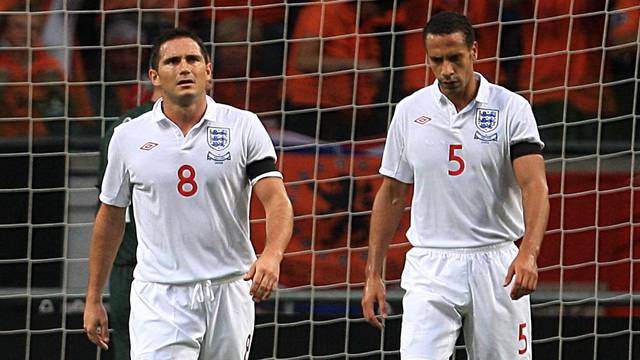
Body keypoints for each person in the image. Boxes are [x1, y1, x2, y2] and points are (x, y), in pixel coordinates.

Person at [84, 28, 293, 359]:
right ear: (155, 76)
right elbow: (110, 217)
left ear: (208, 71)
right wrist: (93, 296)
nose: (184, 68)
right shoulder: (127, 136)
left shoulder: (243, 126)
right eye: (172, 61)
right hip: (161, 295)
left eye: (193, 59)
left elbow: (276, 199)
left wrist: (272, 255)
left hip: (229, 289)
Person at [361, 12, 549, 359]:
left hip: (495, 263)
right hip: (430, 264)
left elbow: (534, 186)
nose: (446, 70)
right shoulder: (408, 111)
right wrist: (374, 273)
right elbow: (391, 195)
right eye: (437, 60)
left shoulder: (511, 108)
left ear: (474, 52)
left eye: (455, 58)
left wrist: (529, 254)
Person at [95, 84, 161, 360]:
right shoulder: (204, 130)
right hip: (163, 269)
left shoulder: (119, 130)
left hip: (128, 267)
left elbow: (107, 209)